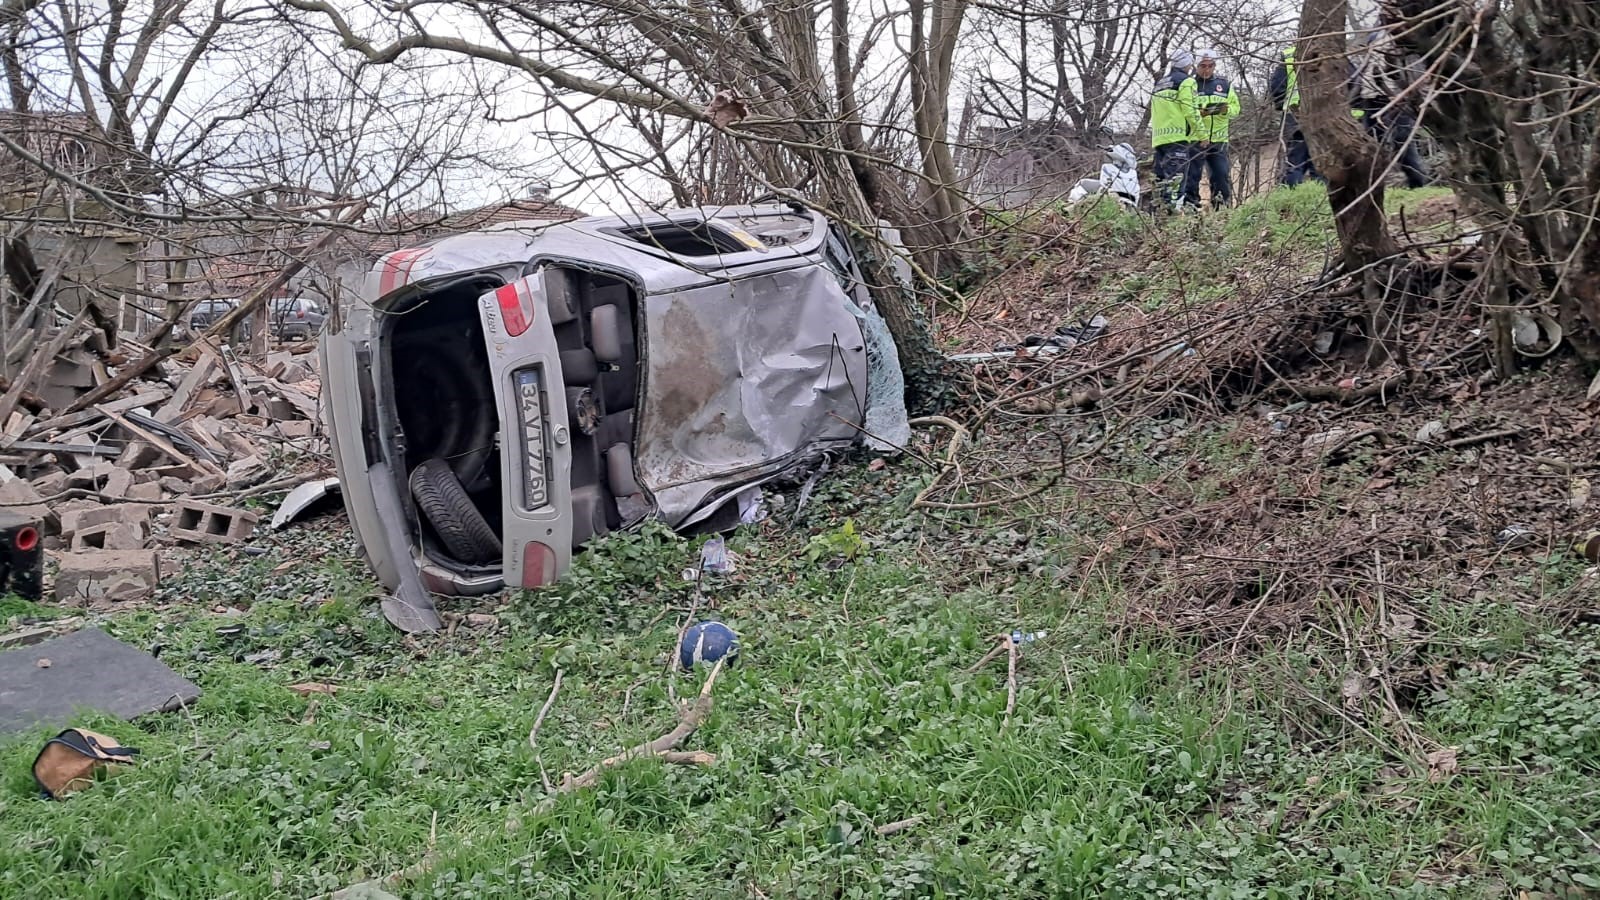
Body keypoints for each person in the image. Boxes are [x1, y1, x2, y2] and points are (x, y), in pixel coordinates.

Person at [1351, 29, 1432, 187]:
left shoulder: (1404, 35)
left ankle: (1417, 182)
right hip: (1371, 97)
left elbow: (1413, 66)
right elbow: (1367, 67)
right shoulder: (1374, 36)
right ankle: (1372, 184)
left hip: (1396, 97)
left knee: (1402, 140)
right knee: (1371, 143)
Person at [1183, 49, 1241, 208]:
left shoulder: (1224, 84)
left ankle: (1222, 213)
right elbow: (1184, 110)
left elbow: (1236, 109)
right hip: (1195, 139)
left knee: (1221, 177)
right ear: (1196, 66)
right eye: (1203, 66)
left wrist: (1226, 110)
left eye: (1210, 66)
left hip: (1219, 140)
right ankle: (1192, 214)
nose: (1206, 70)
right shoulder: (1189, 84)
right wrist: (1198, 114)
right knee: (1192, 178)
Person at [1150, 50, 1200, 210]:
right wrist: (1202, 134)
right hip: (1177, 139)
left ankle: (1158, 218)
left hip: (1159, 140)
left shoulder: (1160, 83)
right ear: (1187, 64)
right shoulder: (1187, 82)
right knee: (1176, 184)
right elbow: (1190, 110)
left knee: (1160, 184)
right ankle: (1172, 221)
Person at [1268, 46, 1319, 186]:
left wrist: (1280, 105)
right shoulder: (1328, 50)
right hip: (1320, 114)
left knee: (1295, 160)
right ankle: (1322, 197)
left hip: (1293, 113)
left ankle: (1290, 196)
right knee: (1319, 159)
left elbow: (1277, 85)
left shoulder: (1289, 54)